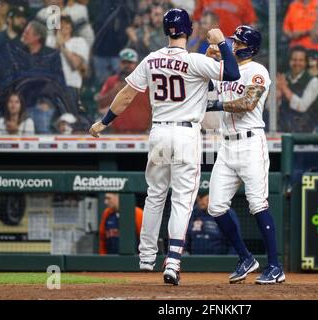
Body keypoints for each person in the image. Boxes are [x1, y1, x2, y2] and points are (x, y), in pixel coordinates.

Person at [89, 8, 240, 285]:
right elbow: (231, 73)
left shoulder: (151, 59)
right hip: (185, 134)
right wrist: (220, 42)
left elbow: (126, 94)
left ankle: (146, 257)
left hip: (158, 132)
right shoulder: (194, 60)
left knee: (154, 195)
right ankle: (172, 261)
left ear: (164, 30)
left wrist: (104, 121)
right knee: (182, 199)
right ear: (189, 30)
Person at [206, 25, 286, 284]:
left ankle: (275, 266)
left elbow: (249, 103)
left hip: (251, 143)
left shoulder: (257, 70)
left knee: (257, 204)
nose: (232, 45)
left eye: (237, 43)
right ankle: (246, 258)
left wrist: (218, 104)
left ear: (249, 47)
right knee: (215, 207)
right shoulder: (226, 69)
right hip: (226, 146)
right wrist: (209, 59)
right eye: (233, 42)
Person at [97, 48, 151, 134]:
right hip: (117, 133)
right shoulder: (111, 81)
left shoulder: (146, 81)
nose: (127, 65)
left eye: (130, 62)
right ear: (119, 63)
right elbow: (100, 104)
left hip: (142, 132)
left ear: (136, 64)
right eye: (124, 62)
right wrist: (114, 92)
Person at [278, 46, 318, 133]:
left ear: (306, 62)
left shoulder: (313, 81)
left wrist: (284, 89)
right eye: (294, 59)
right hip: (283, 130)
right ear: (289, 61)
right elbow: (270, 107)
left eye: (301, 60)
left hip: (305, 132)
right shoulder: (283, 78)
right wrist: (277, 93)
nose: (297, 63)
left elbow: (302, 106)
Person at [55, 15, 89, 108]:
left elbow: (75, 64)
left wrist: (62, 45)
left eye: (67, 23)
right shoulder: (50, 42)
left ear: (71, 27)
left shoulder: (79, 42)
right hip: (52, 85)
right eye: (61, 24)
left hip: (71, 86)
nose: (64, 26)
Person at [192, 0, 257, 37]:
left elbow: (250, 23)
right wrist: (193, 41)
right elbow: (196, 20)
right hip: (207, 40)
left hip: (232, 42)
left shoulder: (243, 1)